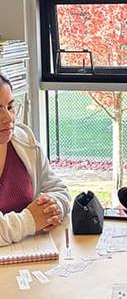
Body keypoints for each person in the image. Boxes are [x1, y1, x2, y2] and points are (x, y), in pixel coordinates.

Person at [0, 74, 71, 247]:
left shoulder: (25, 142)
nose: (9, 118)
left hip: (29, 256)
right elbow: (31, 219)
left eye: (10, 107)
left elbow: (58, 189)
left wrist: (54, 209)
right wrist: (30, 220)